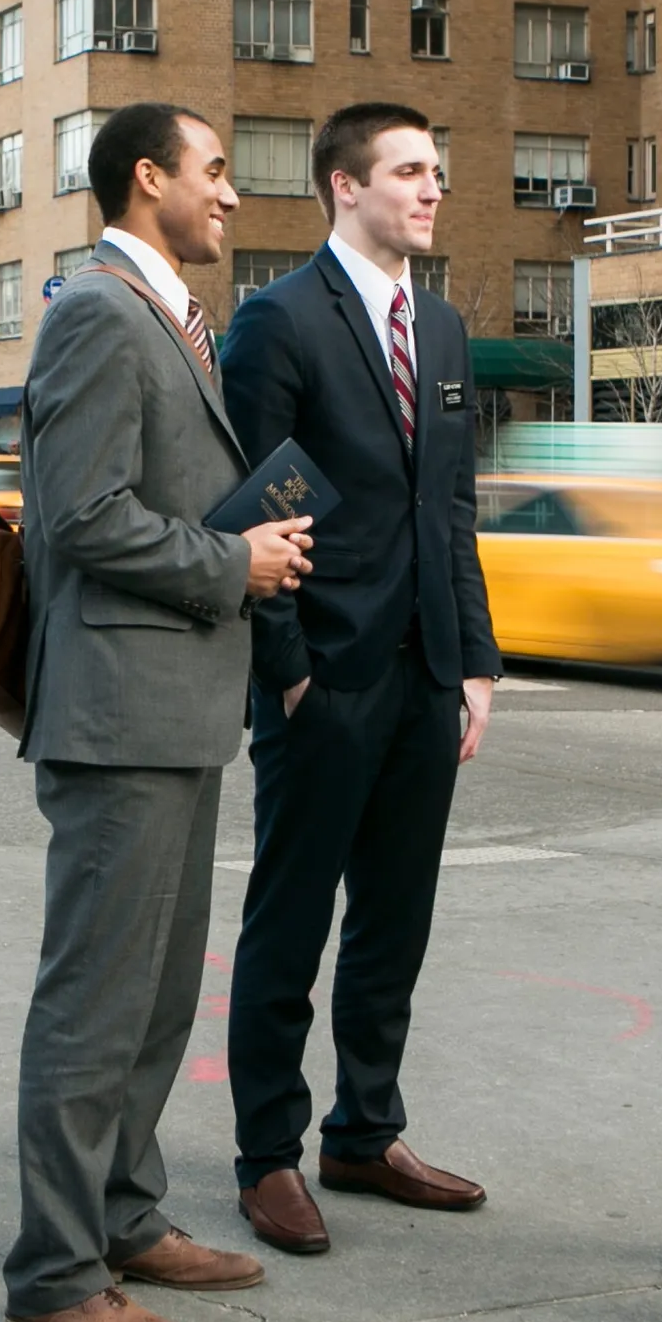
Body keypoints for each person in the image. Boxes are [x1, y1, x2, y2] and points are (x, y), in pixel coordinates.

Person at [2, 102, 315, 1322]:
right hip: (118, 717)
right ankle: (55, 1272)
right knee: (95, 1000)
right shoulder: (97, 312)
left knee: (159, 996)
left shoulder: (171, 319)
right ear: (149, 178)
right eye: (215, 171)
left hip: (178, 712)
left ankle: (124, 1215)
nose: (231, 195)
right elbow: (82, 516)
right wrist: (232, 563)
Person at [215, 104, 500, 1257]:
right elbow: (253, 508)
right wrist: (287, 673)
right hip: (323, 678)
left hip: (426, 672)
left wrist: (474, 660)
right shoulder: (278, 321)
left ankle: (365, 1132)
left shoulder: (442, 327)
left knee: (395, 920)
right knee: (290, 923)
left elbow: (452, 506)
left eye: (437, 170)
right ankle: (268, 1156)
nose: (432, 189)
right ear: (345, 184)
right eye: (410, 170)